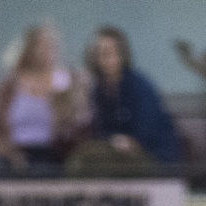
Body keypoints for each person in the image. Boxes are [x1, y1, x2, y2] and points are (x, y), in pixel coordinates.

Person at [66, 25, 181, 177]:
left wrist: (128, 142)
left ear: (121, 54)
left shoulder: (139, 85)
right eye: (99, 53)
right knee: (83, 157)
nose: (103, 59)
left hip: (153, 156)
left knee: (94, 163)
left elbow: (148, 130)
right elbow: (100, 130)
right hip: (117, 152)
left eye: (108, 53)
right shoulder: (98, 90)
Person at [0, 23, 90, 177]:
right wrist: (11, 153)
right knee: (1, 170)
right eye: (41, 45)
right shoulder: (10, 86)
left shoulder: (69, 82)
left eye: (51, 45)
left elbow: (80, 123)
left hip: (55, 152)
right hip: (15, 152)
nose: (47, 51)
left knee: (46, 171)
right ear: (30, 49)